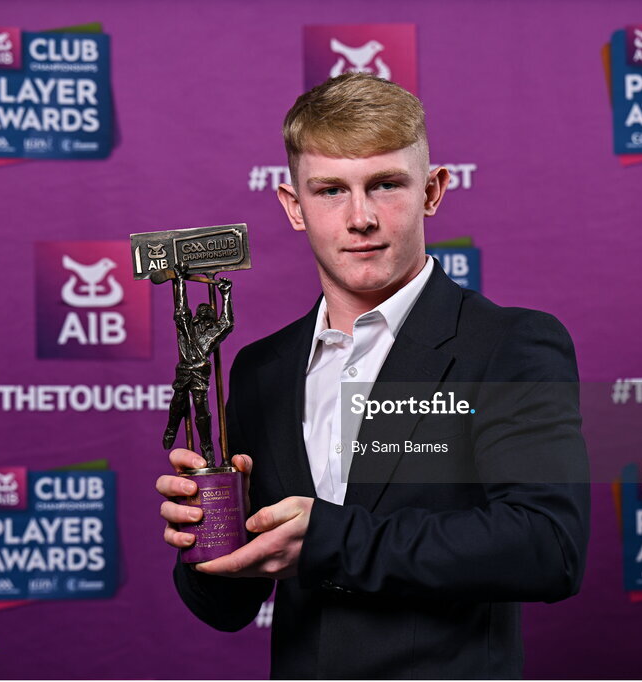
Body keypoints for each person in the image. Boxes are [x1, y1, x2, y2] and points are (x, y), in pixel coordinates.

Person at [156, 73, 589, 679]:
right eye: (330, 190)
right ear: (293, 205)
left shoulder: (507, 345)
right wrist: (208, 539)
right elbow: (227, 610)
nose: (359, 218)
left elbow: (550, 548)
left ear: (433, 190)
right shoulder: (260, 371)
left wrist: (327, 538)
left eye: (385, 184)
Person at [161, 262, 233, 466]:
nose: (203, 314)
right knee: (178, 402)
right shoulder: (186, 327)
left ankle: (207, 446)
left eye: (208, 313)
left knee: (202, 410)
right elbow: (181, 309)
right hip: (185, 371)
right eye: (201, 312)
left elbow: (227, 323)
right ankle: (171, 428)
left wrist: (226, 295)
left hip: (200, 373)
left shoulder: (212, 334)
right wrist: (181, 280)